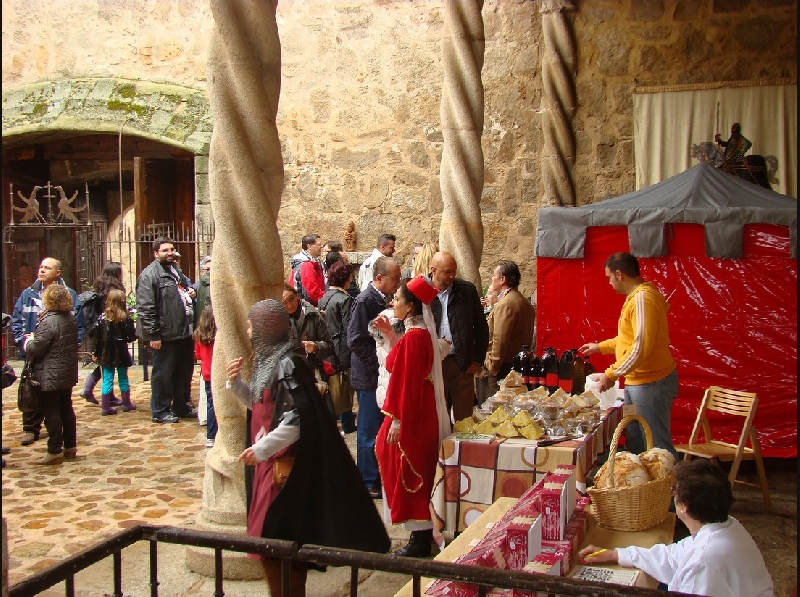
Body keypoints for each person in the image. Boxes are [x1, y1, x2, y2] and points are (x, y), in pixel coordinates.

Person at [228, 299, 390, 596]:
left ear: (266, 326)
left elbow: (295, 420)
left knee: (279, 546)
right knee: (270, 548)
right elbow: (259, 404)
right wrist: (235, 383)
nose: (249, 331)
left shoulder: (288, 362)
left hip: (282, 469)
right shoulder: (269, 361)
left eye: (252, 325)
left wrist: (261, 449)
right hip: (266, 466)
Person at [579, 458, 774, 597]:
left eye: (674, 491)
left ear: (684, 507)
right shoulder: (727, 525)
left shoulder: (704, 560)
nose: (672, 495)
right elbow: (672, 556)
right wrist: (616, 554)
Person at [375, 276, 450, 558]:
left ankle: (419, 538)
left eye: (397, 298)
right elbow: (398, 364)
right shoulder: (415, 336)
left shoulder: (416, 338)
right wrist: (391, 336)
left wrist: (397, 420)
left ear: (410, 308)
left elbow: (406, 381)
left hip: (412, 412)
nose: (392, 302)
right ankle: (419, 534)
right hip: (417, 408)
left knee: (411, 467)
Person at [579, 252, 678, 457]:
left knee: (656, 446)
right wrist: (601, 347)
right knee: (638, 440)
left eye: (609, 278)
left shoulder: (642, 299)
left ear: (619, 274)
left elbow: (640, 347)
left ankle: (667, 487)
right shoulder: (637, 298)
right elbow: (629, 340)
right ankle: (642, 487)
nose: (610, 283)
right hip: (639, 381)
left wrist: (611, 374)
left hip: (650, 382)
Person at [11, 257, 85, 446]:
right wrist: (22, 342)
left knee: (55, 402)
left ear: (57, 272)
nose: (42, 270)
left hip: (54, 356)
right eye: (41, 267)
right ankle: (31, 427)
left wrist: (71, 346)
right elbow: (17, 319)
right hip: (35, 354)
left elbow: (79, 323)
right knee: (30, 390)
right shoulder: (28, 294)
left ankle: (56, 445)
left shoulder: (67, 294)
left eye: (47, 268)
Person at [346, 256, 402, 499]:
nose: (398, 282)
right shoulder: (364, 301)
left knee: (380, 428)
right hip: (369, 376)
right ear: (379, 278)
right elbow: (356, 339)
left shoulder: (385, 299)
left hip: (380, 376)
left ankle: (378, 475)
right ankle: (368, 480)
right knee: (368, 430)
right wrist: (379, 363)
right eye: (395, 278)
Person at [136, 236, 198, 424]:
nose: (169, 253)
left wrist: (192, 291)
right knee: (163, 374)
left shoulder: (175, 271)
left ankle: (181, 405)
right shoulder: (149, 275)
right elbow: (146, 308)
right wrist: (153, 335)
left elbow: (187, 287)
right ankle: (160, 410)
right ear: (156, 254)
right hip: (165, 334)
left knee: (183, 372)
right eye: (165, 250)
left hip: (183, 332)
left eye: (171, 249)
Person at [428, 251, 489, 422]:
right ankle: (442, 449)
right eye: (447, 271)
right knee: (439, 417)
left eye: (454, 271)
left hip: (462, 363)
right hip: (435, 365)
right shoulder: (421, 292)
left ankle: (463, 448)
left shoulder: (466, 291)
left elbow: (481, 328)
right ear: (434, 270)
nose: (452, 275)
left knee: (465, 418)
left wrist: (477, 360)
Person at [23, 284, 79, 465]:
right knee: (66, 408)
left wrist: (29, 341)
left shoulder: (49, 322)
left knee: (52, 411)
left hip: (50, 373)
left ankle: (54, 449)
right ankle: (70, 446)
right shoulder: (70, 318)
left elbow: (37, 348)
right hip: (66, 371)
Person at [476, 260, 535, 405]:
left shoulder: (507, 303)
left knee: (495, 408)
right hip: (517, 363)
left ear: (503, 279)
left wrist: (492, 367)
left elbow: (500, 339)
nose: (491, 278)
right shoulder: (523, 302)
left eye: (494, 275)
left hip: (503, 366)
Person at [318, 261, 357, 434]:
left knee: (333, 385)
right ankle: (347, 423)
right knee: (343, 387)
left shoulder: (323, 298)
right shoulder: (345, 300)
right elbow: (350, 328)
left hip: (327, 348)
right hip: (342, 349)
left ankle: (339, 419)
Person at [79, 261, 126, 405]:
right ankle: (89, 389)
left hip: (98, 329)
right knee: (107, 363)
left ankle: (108, 395)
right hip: (108, 331)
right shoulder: (113, 290)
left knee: (105, 363)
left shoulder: (100, 286)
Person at [92, 289, 138, 415]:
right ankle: (126, 403)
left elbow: (98, 339)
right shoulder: (125, 319)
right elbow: (131, 337)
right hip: (121, 353)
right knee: (123, 378)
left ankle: (105, 406)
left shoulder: (102, 319)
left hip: (107, 354)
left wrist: (95, 352)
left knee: (107, 378)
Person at [193, 305, 217, 448]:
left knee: (210, 403)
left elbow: (198, 355)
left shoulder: (199, 337)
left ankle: (210, 435)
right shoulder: (216, 338)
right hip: (216, 374)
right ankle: (213, 434)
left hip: (206, 374)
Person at [289, 233, 325, 307]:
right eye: (319, 244)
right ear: (310, 246)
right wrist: (327, 299)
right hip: (307, 307)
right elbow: (312, 292)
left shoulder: (312, 262)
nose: (321, 247)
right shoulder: (306, 265)